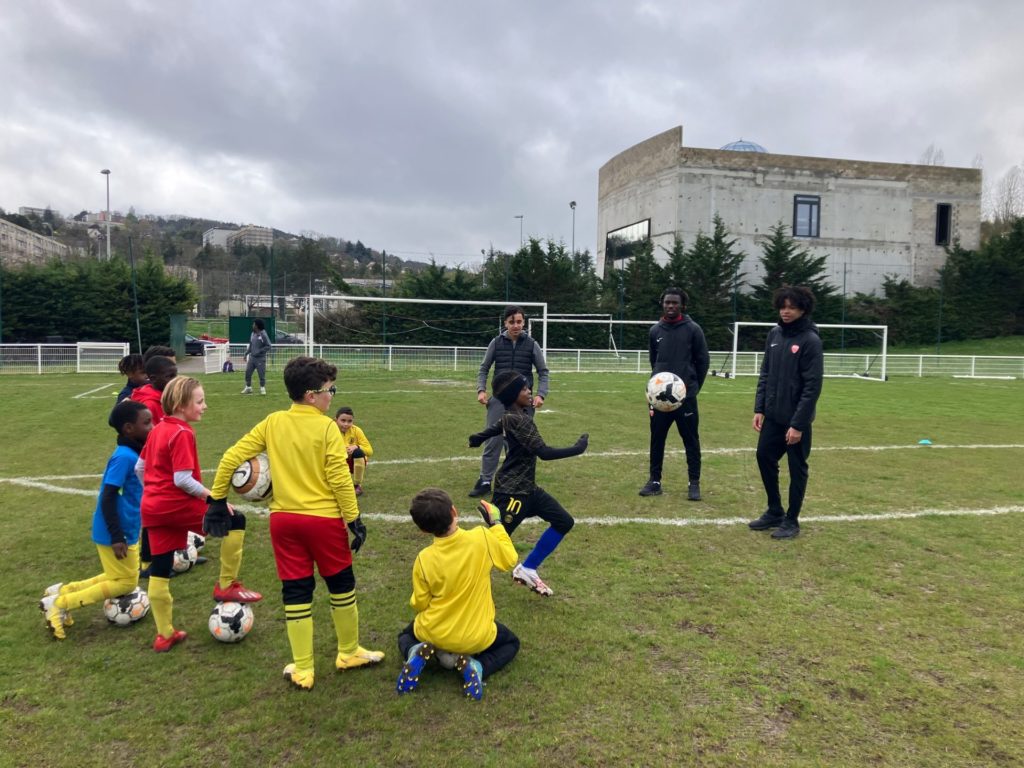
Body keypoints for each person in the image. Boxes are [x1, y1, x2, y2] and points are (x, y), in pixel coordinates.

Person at [207, 356, 383, 690]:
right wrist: (354, 519)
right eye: (330, 390)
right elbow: (339, 478)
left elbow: (231, 457)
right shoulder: (327, 427)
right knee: (342, 586)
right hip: (323, 522)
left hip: (284, 522)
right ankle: (348, 652)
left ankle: (303, 668)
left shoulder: (273, 422)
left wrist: (216, 499)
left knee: (296, 591)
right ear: (311, 395)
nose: (332, 396)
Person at [136, 377, 262, 653]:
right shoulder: (182, 433)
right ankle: (227, 584)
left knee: (159, 569)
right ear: (182, 405)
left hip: (153, 508)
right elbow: (182, 480)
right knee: (236, 520)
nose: (205, 406)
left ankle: (164, 634)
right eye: (200, 401)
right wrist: (214, 499)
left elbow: (139, 467)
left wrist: (154, 491)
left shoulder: (158, 429)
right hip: (175, 504)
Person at [39, 400, 154, 639]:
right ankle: (60, 603)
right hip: (114, 531)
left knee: (121, 577)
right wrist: (116, 535)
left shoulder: (134, 453)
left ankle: (62, 591)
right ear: (128, 429)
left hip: (128, 527)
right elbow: (108, 496)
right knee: (124, 583)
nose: (152, 427)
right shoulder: (124, 457)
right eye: (147, 423)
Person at [468, 369, 587, 596]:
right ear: (514, 395)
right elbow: (544, 452)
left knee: (563, 521)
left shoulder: (512, 416)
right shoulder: (522, 422)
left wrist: (478, 437)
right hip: (512, 492)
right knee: (494, 547)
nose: (529, 391)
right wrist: (577, 449)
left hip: (528, 489)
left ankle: (528, 568)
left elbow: (499, 425)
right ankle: (459, 578)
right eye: (524, 388)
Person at [396, 489, 519, 701]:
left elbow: (420, 603)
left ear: (423, 530)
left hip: (433, 633)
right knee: (511, 643)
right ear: (454, 511)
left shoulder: (424, 559)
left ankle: (415, 651)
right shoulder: (481, 537)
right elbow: (510, 560)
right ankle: (478, 665)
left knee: (405, 636)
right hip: (476, 637)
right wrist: (496, 523)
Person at [748, 286, 824, 540]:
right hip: (773, 416)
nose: (786, 311)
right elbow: (765, 374)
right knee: (764, 457)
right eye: (783, 306)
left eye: (791, 307)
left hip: (795, 421)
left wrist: (798, 424)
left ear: (803, 309)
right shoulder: (774, 334)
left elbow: (812, 386)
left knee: (796, 468)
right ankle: (775, 510)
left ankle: (792, 520)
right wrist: (759, 408)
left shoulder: (810, 341)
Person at [469, 305, 550, 498]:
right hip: (498, 400)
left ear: (524, 323)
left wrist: (540, 395)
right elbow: (484, 368)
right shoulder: (496, 343)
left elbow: (543, 372)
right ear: (505, 323)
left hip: (524, 402)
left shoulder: (532, 344)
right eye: (512, 321)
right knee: (493, 439)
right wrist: (481, 390)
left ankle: (521, 480)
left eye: (519, 321)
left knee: (523, 442)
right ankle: (485, 480)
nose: (516, 325)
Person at [638, 287, 710, 501]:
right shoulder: (655, 331)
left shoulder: (693, 329)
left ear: (682, 306)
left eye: (675, 303)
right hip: (659, 400)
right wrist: (657, 387)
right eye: (667, 302)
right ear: (663, 304)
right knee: (657, 439)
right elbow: (655, 361)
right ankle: (654, 481)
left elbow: (703, 361)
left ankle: (694, 483)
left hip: (685, 400)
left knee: (691, 440)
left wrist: (692, 388)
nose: (670, 306)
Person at [334, 406, 373, 496]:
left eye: (349, 421)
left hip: (351, 461)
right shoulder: (331, 430)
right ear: (336, 420)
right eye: (343, 420)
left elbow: (370, 451)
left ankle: (357, 485)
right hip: (337, 461)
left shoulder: (356, 430)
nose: (346, 424)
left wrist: (357, 446)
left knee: (358, 452)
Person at [130, 355, 177, 424]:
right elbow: (149, 433)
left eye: (175, 376)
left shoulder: (167, 396)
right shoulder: (149, 405)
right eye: (169, 376)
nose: (175, 380)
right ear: (153, 378)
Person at [241, 319, 272, 395]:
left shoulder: (263, 334)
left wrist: (260, 351)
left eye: (254, 324)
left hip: (260, 359)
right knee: (248, 373)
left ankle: (262, 388)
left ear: (257, 326)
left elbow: (269, 346)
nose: (252, 325)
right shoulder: (252, 334)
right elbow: (251, 345)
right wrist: (246, 353)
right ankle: (248, 387)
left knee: (261, 374)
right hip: (252, 358)